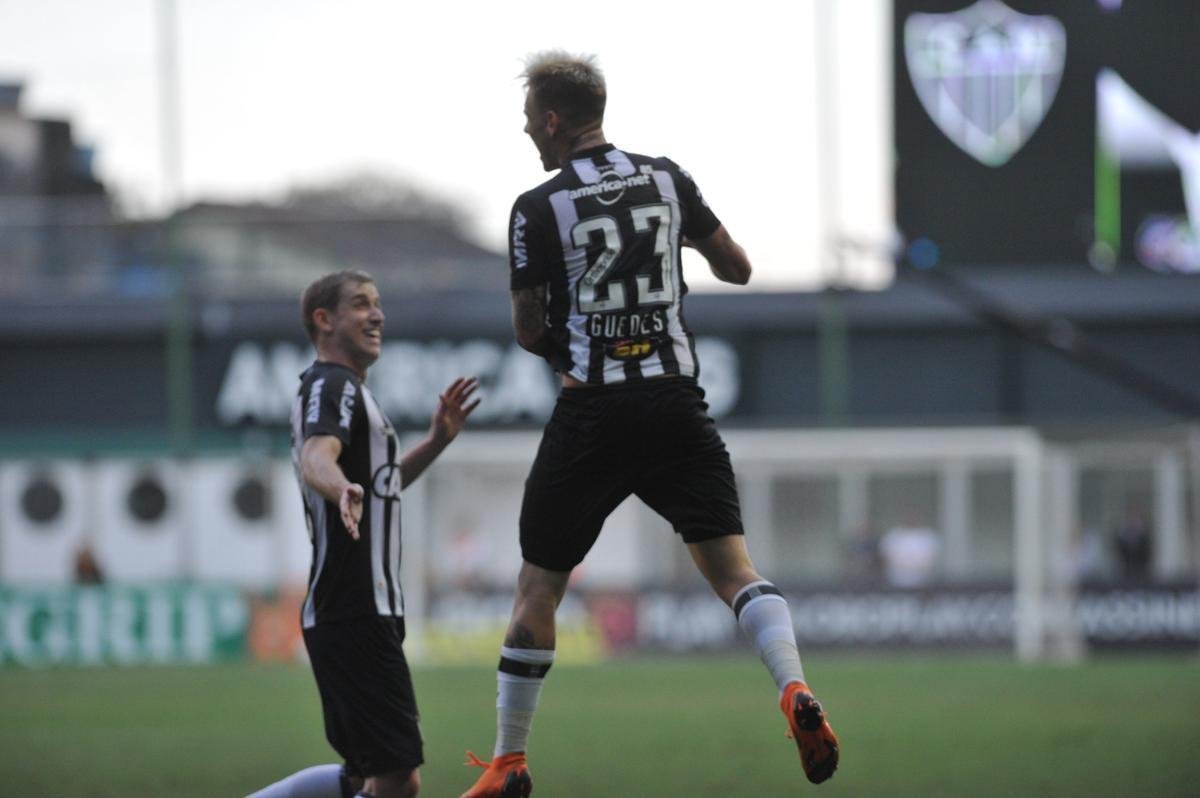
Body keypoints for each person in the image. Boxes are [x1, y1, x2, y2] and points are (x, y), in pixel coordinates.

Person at [459, 52, 839, 798]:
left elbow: (529, 325)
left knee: (538, 590)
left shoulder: (537, 207)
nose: (529, 133)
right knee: (736, 572)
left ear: (555, 119)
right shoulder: (667, 178)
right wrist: (671, 248)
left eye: (531, 120)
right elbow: (738, 267)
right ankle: (793, 688)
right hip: (674, 402)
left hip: (591, 413)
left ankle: (509, 762)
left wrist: (578, 345)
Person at [250, 270, 480, 798]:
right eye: (360, 305)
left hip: (359, 610)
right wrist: (339, 488)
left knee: (364, 774)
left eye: (377, 304)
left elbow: (382, 484)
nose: (376, 315)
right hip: (354, 607)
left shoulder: (349, 392)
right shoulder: (332, 385)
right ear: (324, 320)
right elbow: (316, 457)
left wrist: (437, 441)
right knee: (398, 777)